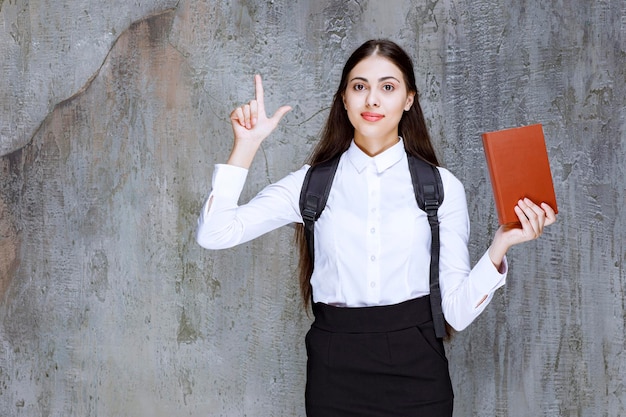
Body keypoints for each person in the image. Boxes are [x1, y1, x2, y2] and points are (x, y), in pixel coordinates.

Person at [196, 39, 556, 417]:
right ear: (344, 99)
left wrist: (500, 247)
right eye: (359, 86)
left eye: (387, 87)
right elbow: (215, 233)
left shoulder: (440, 186)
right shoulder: (310, 184)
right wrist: (247, 145)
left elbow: (456, 314)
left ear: (408, 100)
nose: (372, 100)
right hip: (334, 369)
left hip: (418, 369)